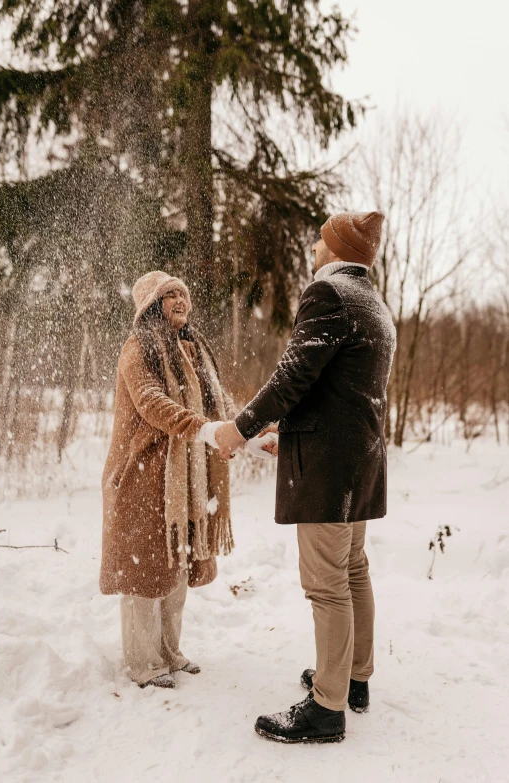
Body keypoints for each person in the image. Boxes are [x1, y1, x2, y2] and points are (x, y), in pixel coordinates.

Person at [215, 211, 397, 743]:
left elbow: (294, 375)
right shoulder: (375, 306)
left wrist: (240, 429)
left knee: (327, 585)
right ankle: (353, 679)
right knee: (354, 571)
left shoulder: (328, 294)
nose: (314, 246)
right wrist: (290, 434)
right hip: (359, 460)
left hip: (330, 471)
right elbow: (336, 390)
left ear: (337, 248)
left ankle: (327, 707)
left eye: (320, 238)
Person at [100, 270, 235, 689]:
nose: (180, 300)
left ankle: (170, 651)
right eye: (169, 294)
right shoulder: (136, 350)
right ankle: (143, 663)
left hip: (184, 480)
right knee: (145, 574)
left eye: (183, 293)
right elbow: (152, 403)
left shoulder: (194, 352)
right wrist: (206, 430)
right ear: (150, 306)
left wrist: (247, 433)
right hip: (140, 477)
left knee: (177, 567)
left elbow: (221, 408)